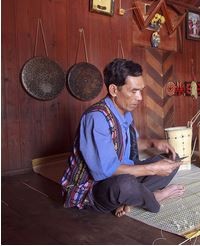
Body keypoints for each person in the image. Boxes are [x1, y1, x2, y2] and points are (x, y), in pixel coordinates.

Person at [61, 58, 185, 217]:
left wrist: (153, 143)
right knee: (125, 185)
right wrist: (152, 169)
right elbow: (105, 170)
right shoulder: (96, 118)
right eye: (134, 91)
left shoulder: (125, 113)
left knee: (172, 160)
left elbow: (126, 144)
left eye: (141, 90)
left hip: (125, 173)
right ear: (114, 90)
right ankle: (153, 197)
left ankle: (133, 198)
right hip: (95, 188)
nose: (140, 97)